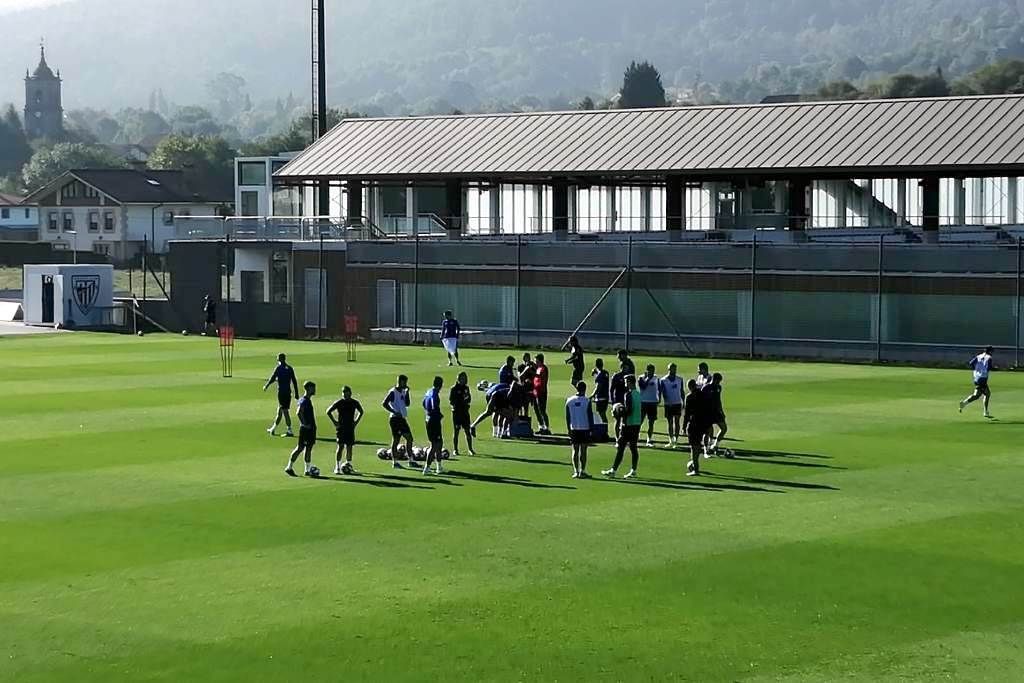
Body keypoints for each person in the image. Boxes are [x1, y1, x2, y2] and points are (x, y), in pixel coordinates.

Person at [602, 375, 643, 479]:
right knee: (634, 448)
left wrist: (618, 413)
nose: (625, 383)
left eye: (626, 381)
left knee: (621, 448)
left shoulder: (628, 395)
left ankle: (613, 470)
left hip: (628, 425)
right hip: (636, 424)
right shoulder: (638, 394)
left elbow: (628, 411)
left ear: (630, 382)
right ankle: (633, 470)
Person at [326, 386, 364, 475]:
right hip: (341, 428)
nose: (345, 394)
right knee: (340, 447)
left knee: (349, 447)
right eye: (344, 393)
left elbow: (361, 411)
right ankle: (337, 467)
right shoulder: (339, 402)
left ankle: (349, 465)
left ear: (350, 393)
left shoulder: (354, 402)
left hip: (350, 428)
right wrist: (335, 422)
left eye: (347, 392)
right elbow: (328, 411)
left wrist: (356, 422)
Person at [285, 381, 318, 477]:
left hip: (308, 428)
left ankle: (306, 469)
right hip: (307, 429)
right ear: (308, 389)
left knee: (306, 448)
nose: (314, 390)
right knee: (302, 448)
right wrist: (304, 423)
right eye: (313, 388)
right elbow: (298, 412)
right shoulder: (305, 401)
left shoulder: (303, 400)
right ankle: (289, 467)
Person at [382, 375, 415, 468]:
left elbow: (407, 404)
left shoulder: (403, 392)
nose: (406, 384)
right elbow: (384, 403)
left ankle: (411, 460)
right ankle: (395, 462)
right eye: (404, 382)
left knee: (409, 438)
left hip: (402, 419)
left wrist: (407, 393)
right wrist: (394, 412)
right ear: (400, 381)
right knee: (396, 440)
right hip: (395, 419)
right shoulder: (393, 392)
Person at [263, 353, 299, 437]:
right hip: (288, 392)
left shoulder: (278, 368)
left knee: (285, 411)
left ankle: (289, 430)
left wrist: (266, 386)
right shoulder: (290, 368)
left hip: (282, 393)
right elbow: (294, 381)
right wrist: (296, 393)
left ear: (279, 359)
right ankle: (273, 429)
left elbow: (272, 378)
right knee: (280, 411)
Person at [565, 381, 595, 479]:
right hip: (585, 428)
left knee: (575, 450)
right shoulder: (587, 401)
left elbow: (567, 417)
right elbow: (590, 416)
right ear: (585, 389)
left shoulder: (569, 401)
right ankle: (582, 471)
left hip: (574, 428)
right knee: (583, 451)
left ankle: (576, 471)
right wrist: (592, 429)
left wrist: (569, 429)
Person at [683, 379, 710, 476]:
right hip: (703, 423)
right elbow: (707, 409)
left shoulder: (689, 397)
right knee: (698, 445)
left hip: (694, 424)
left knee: (693, 447)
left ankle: (696, 469)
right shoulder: (703, 395)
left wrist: (684, 426)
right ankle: (695, 464)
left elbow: (687, 414)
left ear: (689, 387)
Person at [960, 346, 995, 419]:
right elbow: (989, 367)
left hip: (976, 377)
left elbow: (971, 363)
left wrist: (976, 370)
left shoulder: (978, 356)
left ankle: (964, 403)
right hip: (983, 378)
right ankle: (985, 412)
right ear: (990, 351)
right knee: (987, 394)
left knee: (977, 395)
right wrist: (995, 368)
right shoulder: (989, 358)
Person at [422, 376, 445, 475]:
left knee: (439, 444)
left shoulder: (428, 391)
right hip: (434, 420)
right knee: (435, 445)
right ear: (440, 384)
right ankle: (427, 468)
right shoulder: (435, 394)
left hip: (428, 419)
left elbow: (423, 403)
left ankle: (439, 467)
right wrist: (438, 415)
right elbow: (434, 406)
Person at [450, 371, 476, 456]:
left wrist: (466, 402)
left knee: (467, 431)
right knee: (456, 431)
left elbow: (469, 398)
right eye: (463, 378)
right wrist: (458, 403)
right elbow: (451, 401)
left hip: (465, 412)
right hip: (457, 413)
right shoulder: (454, 389)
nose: (465, 380)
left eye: (466, 378)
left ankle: (470, 449)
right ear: (459, 379)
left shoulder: (466, 388)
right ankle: (455, 449)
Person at [705, 373, 731, 456]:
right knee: (709, 431)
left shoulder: (719, 387)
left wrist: (722, 412)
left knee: (724, 428)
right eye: (718, 381)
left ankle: (715, 445)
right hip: (708, 412)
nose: (719, 383)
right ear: (714, 379)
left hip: (716, 412)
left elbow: (718, 400)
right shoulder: (706, 388)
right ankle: (707, 448)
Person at [659, 363, 685, 448]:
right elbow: (662, 392)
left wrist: (683, 402)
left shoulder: (679, 379)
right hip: (668, 404)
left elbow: (682, 391)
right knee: (670, 422)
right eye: (671, 369)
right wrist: (665, 400)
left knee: (677, 422)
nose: (673, 370)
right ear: (668, 369)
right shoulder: (663, 380)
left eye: (674, 369)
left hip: (677, 403)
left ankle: (676, 440)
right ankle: (670, 440)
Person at [638, 364, 661, 447]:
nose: (652, 372)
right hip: (643, 402)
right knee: (639, 421)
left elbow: (659, 389)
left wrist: (659, 398)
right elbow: (642, 387)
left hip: (652, 402)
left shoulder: (656, 378)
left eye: (653, 370)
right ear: (647, 370)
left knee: (651, 422)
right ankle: (636, 437)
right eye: (650, 370)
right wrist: (648, 378)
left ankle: (649, 439)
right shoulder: (641, 378)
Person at [609, 361, 629, 438]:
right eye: (624, 368)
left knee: (625, 421)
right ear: (621, 368)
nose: (626, 369)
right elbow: (611, 389)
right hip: (618, 401)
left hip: (626, 401)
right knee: (617, 420)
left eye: (627, 368)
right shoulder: (616, 376)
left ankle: (623, 437)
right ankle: (617, 438)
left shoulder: (628, 377)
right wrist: (612, 401)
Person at [533, 353, 551, 435]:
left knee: (542, 410)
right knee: (537, 410)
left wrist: (531, 371)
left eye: (536, 360)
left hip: (541, 392)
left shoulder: (543, 368)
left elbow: (541, 376)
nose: (535, 361)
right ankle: (541, 426)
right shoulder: (538, 368)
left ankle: (547, 428)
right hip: (536, 392)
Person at [591, 358, 610, 426]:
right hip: (606, 396)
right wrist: (596, 371)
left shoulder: (599, 376)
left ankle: (605, 428)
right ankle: (605, 426)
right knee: (603, 413)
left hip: (600, 397)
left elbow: (598, 387)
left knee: (602, 414)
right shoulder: (605, 373)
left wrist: (592, 395)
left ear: (596, 365)